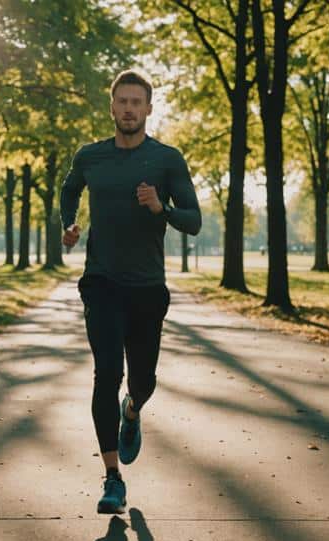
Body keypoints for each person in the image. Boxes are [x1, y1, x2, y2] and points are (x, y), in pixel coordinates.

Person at [60, 69, 201, 515]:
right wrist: (68, 224)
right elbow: (69, 189)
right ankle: (112, 478)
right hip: (101, 283)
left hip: (146, 288)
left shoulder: (167, 160)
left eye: (136, 102)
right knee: (106, 374)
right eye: (121, 101)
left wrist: (163, 208)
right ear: (111, 106)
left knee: (142, 381)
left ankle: (133, 411)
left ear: (148, 109)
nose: (128, 109)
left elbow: (194, 220)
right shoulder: (91, 156)